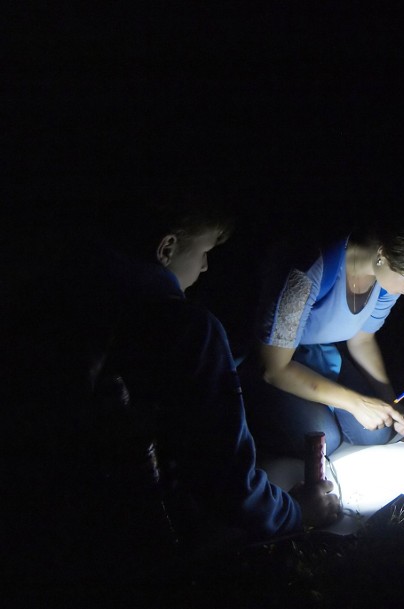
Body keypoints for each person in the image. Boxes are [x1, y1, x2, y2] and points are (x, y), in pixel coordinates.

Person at [4, 193, 341, 594]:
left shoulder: (44, 304)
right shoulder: (186, 328)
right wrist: (298, 512)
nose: (205, 265)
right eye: (205, 251)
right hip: (145, 545)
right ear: (166, 248)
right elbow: (227, 480)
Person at [242, 214, 404, 457]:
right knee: (324, 437)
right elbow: (274, 369)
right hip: (275, 363)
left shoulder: (386, 279)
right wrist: (357, 403)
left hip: (322, 356)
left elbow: (362, 340)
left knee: (375, 430)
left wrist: (391, 403)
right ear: (386, 253)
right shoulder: (310, 268)